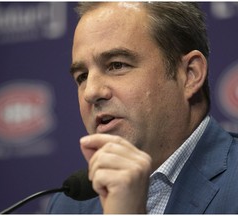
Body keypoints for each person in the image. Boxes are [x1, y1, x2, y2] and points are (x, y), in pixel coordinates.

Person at [46, 2, 238, 214]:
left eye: (116, 65)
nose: (91, 92)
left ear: (190, 74)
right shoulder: (69, 206)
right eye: (82, 76)